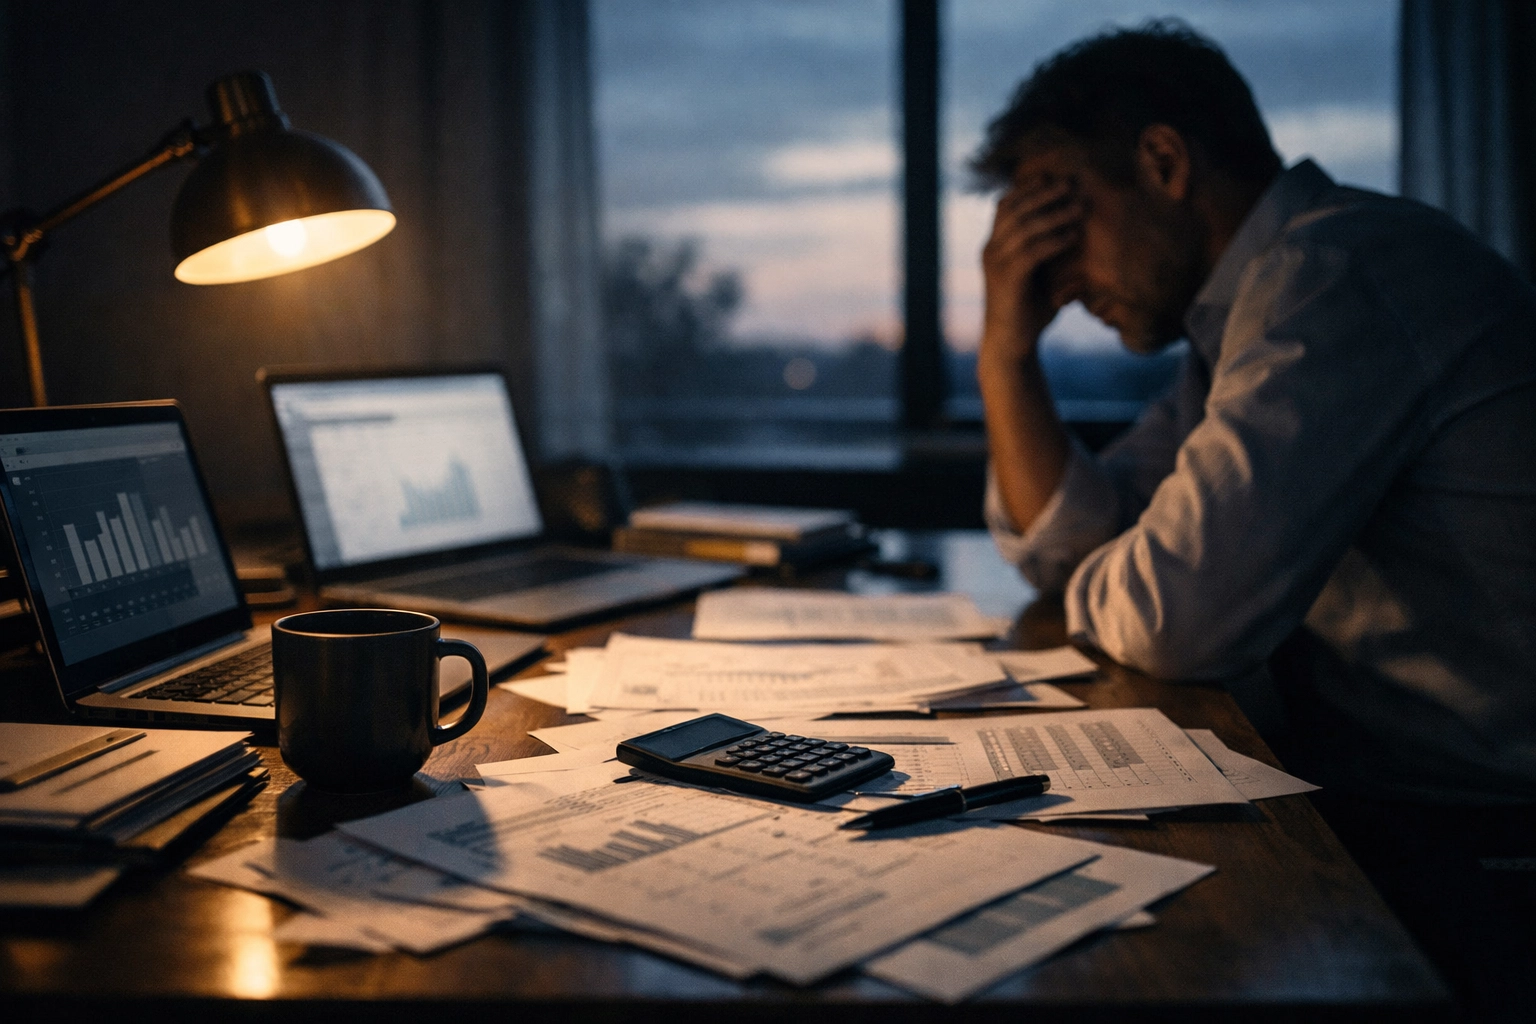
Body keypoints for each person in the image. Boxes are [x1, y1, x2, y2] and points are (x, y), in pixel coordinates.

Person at [974, 23, 1536, 1020]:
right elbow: (1074, 539)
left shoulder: (1338, 272)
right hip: (1392, 802)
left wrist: (1120, 568)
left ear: (1163, 161)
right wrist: (1004, 352)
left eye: (1060, 217)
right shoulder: (1236, 326)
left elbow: (1175, 619)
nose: (1051, 278)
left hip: (1485, 845)